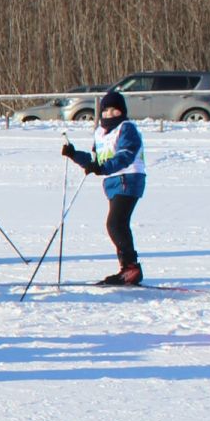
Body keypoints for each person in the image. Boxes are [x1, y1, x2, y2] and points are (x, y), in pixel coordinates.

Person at [61, 89, 147, 286]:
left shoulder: (127, 128)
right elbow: (95, 160)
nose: (110, 114)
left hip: (129, 178)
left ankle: (131, 268)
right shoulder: (100, 133)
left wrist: (102, 168)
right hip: (113, 182)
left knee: (116, 223)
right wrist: (74, 155)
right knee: (117, 224)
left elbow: (125, 156)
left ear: (122, 112)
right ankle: (128, 268)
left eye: (114, 110)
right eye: (106, 110)